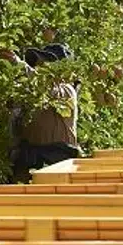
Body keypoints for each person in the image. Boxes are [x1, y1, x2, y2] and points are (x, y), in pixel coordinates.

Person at [9, 43, 81, 182]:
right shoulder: (28, 96)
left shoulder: (66, 91)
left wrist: (18, 65)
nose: (39, 68)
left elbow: (45, 88)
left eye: (46, 65)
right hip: (29, 163)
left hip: (58, 162)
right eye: (38, 64)